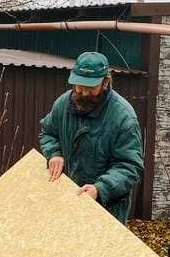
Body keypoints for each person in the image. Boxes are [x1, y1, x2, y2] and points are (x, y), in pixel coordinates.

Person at [39, 52, 144, 224]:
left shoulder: (123, 117)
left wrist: (100, 189)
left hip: (107, 209)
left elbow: (130, 166)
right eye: (79, 86)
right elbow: (48, 132)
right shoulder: (63, 104)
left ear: (105, 83)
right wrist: (54, 153)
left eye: (91, 88)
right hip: (68, 199)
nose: (84, 93)